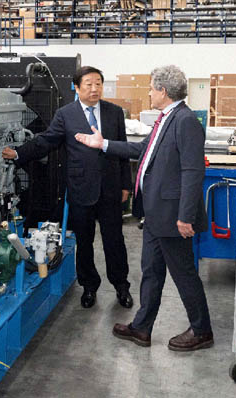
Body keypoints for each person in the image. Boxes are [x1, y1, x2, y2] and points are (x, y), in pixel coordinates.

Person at [74, 65, 213, 351]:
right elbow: (141, 151)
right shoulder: (166, 119)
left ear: (163, 91)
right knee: (151, 271)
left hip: (173, 216)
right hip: (155, 213)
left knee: (184, 274)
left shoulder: (185, 121)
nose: (149, 93)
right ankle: (142, 327)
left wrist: (185, 216)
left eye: (151, 88)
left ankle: (202, 330)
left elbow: (193, 171)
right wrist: (103, 144)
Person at [2, 66, 132, 309]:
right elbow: (46, 140)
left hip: (111, 188)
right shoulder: (66, 114)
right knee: (84, 240)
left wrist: (126, 184)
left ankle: (121, 286)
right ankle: (89, 286)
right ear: (77, 87)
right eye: (89, 84)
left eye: (98, 83)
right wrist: (19, 153)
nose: (94, 89)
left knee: (115, 241)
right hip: (81, 187)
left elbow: (122, 148)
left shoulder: (114, 112)